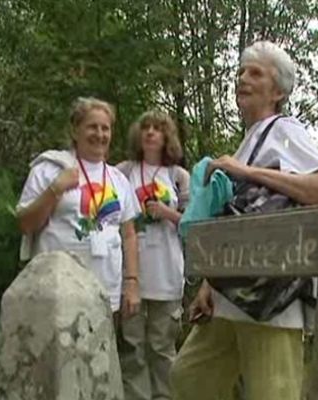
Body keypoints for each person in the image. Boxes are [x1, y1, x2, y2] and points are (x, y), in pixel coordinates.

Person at [170, 41, 318, 400]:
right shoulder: (250, 140)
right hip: (232, 295)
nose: (242, 78)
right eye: (241, 71)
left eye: (255, 73)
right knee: (190, 379)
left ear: (278, 91)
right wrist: (209, 285)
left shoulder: (285, 130)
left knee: (273, 393)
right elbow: (237, 222)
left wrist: (245, 171)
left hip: (272, 300)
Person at [17, 96, 141, 317]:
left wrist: (131, 282)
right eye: (92, 127)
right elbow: (26, 224)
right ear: (75, 131)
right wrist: (55, 189)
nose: (100, 134)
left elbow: (129, 234)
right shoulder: (49, 169)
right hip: (56, 293)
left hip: (105, 292)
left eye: (106, 128)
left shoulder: (118, 180)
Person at [116, 110, 189, 400]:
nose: (150, 133)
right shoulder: (123, 172)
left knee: (162, 348)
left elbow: (195, 223)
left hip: (167, 272)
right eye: (145, 127)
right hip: (130, 273)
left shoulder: (178, 176)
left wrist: (168, 212)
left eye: (157, 128)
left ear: (166, 136)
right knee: (132, 347)